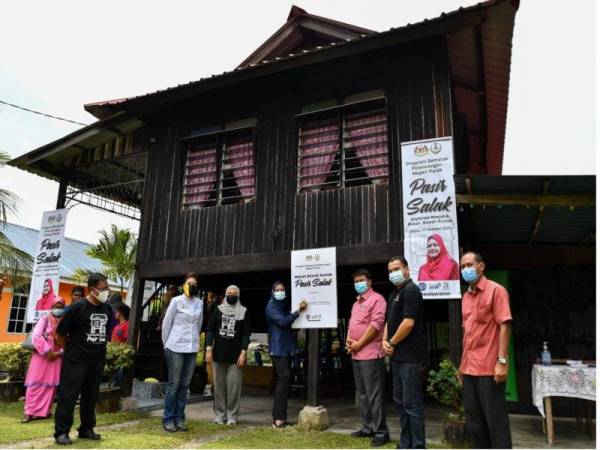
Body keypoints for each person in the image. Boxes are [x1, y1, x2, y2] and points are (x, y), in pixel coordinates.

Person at [458, 252, 513, 449]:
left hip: (490, 368)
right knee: (474, 422)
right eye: (463, 266)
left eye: (469, 265)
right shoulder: (465, 296)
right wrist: (462, 364)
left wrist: (502, 362)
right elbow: (468, 333)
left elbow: (504, 326)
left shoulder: (496, 291)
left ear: (481, 266)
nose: (466, 269)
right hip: (470, 368)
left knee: (495, 422)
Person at [54, 273, 113, 446]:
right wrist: (70, 351)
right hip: (76, 360)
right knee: (68, 396)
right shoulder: (77, 308)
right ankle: (62, 432)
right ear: (93, 289)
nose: (106, 291)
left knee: (91, 396)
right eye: (103, 288)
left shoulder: (107, 309)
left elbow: (106, 333)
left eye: (107, 288)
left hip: (97, 360)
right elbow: (60, 333)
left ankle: (86, 429)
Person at [383, 256, 427, 449]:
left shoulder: (411, 291)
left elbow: (408, 323)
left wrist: (391, 342)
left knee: (412, 404)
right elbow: (389, 321)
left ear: (407, 270)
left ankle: (418, 445)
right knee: (400, 402)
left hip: (411, 357)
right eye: (391, 270)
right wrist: (385, 340)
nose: (394, 273)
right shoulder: (394, 293)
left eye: (397, 268)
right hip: (397, 357)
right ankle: (405, 443)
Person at [347, 268, 390, 447]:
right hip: (356, 354)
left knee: (374, 395)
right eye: (356, 281)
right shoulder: (356, 303)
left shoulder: (377, 299)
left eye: (362, 280)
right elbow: (352, 324)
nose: (359, 284)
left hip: (371, 354)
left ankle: (381, 431)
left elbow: (375, 326)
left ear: (370, 281)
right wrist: (349, 341)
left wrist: (359, 344)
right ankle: (367, 427)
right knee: (362, 394)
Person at [161, 273, 203, 432]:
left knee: (185, 384)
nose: (192, 285)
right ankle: (168, 418)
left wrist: (196, 343)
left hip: (191, 348)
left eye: (194, 283)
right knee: (174, 383)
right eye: (189, 283)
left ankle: (180, 417)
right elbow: (166, 324)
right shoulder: (176, 301)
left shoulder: (199, 303)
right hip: (175, 346)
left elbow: (198, 325)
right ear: (184, 285)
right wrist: (166, 345)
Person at [206, 285, 250, 425]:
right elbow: (210, 330)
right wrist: (208, 349)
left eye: (234, 293)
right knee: (219, 387)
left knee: (233, 388)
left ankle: (232, 416)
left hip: (236, 357)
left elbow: (246, 334)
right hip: (218, 355)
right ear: (225, 295)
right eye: (229, 293)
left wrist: (243, 353)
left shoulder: (244, 312)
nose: (231, 295)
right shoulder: (217, 310)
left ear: (238, 296)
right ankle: (220, 415)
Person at [265, 281, 307, 429]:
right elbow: (283, 321)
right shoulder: (271, 307)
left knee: (283, 381)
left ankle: (281, 418)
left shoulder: (282, 307)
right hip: (278, 349)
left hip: (286, 348)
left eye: (282, 290)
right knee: (284, 378)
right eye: (278, 290)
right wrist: (298, 311)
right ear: (273, 291)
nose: (280, 292)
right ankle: (277, 419)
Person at [22, 297, 65, 423]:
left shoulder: (64, 321)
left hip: (56, 357)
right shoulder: (44, 318)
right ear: (51, 307)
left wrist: (59, 353)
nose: (58, 309)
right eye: (56, 306)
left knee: (50, 385)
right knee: (34, 383)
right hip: (42, 355)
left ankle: (45, 412)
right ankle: (28, 412)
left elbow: (68, 338)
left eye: (61, 307)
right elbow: (36, 336)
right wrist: (48, 351)